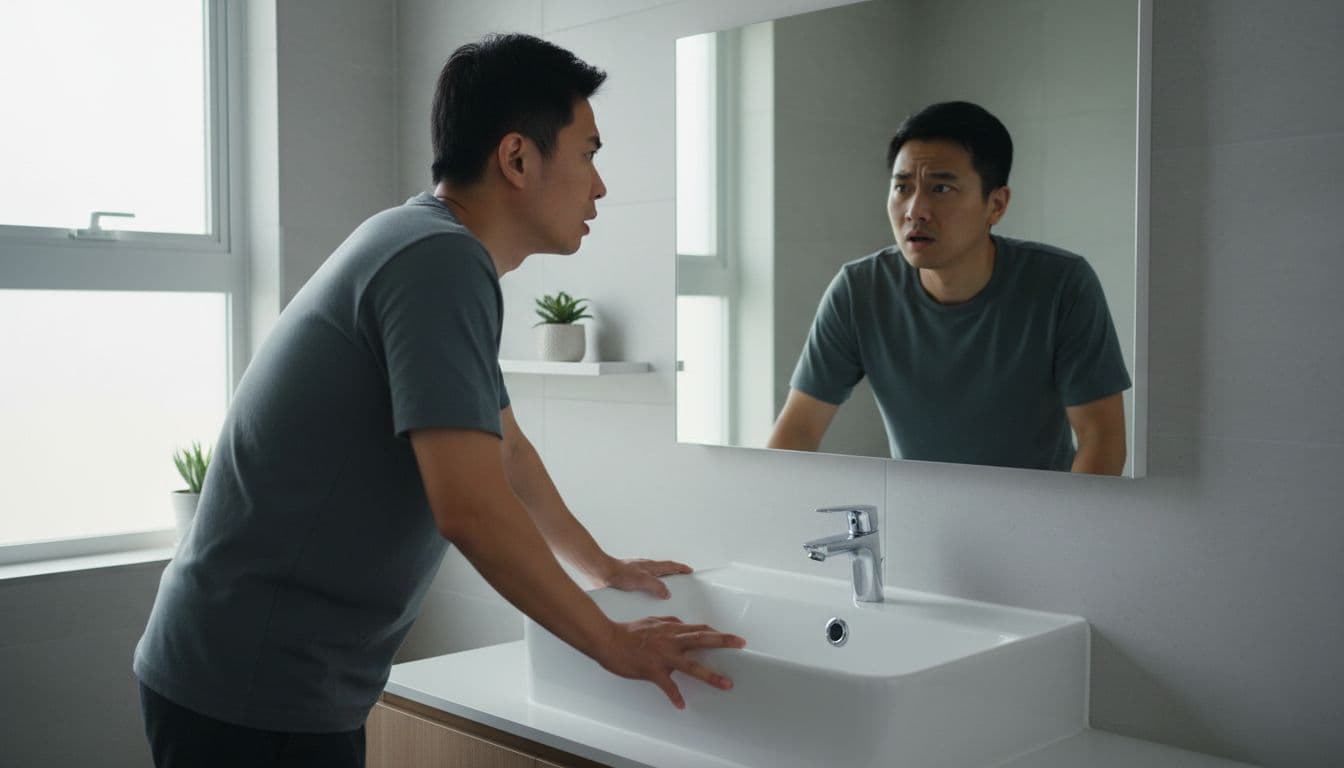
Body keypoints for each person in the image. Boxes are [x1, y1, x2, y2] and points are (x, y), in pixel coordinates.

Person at [133, 33, 745, 768]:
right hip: (256, 688)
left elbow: (507, 449)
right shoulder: (439, 261)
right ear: (517, 158)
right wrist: (609, 642)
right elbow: (472, 508)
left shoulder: (431, 248)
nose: (601, 185)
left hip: (264, 677)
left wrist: (599, 564)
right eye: (588, 153)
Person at [767, 101, 1131, 474]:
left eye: (941, 187)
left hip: (1042, 516)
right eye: (902, 187)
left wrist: (1067, 530)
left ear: (996, 204)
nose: (915, 210)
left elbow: (1100, 436)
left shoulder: (1061, 283)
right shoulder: (859, 290)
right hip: (918, 516)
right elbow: (798, 429)